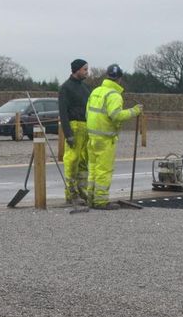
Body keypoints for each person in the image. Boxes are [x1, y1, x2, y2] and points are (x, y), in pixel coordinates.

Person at [85, 64, 142, 209]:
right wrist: (134, 111)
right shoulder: (114, 95)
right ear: (120, 79)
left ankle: (90, 198)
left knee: (92, 169)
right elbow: (116, 115)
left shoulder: (96, 91)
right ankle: (100, 201)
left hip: (92, 137)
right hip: (105, 139)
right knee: (104, 170)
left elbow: (87, 113)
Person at [58, 58, 91, 207]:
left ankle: (83, 192)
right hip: (74, 127)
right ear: (77, 70)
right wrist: (68, 133)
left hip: (86, 127)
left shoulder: (85, 88)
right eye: (85, 69)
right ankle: (71, 194)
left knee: (84, 162)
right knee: (72, 161)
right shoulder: (66, 88)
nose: (87, 72)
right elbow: (63, 113)